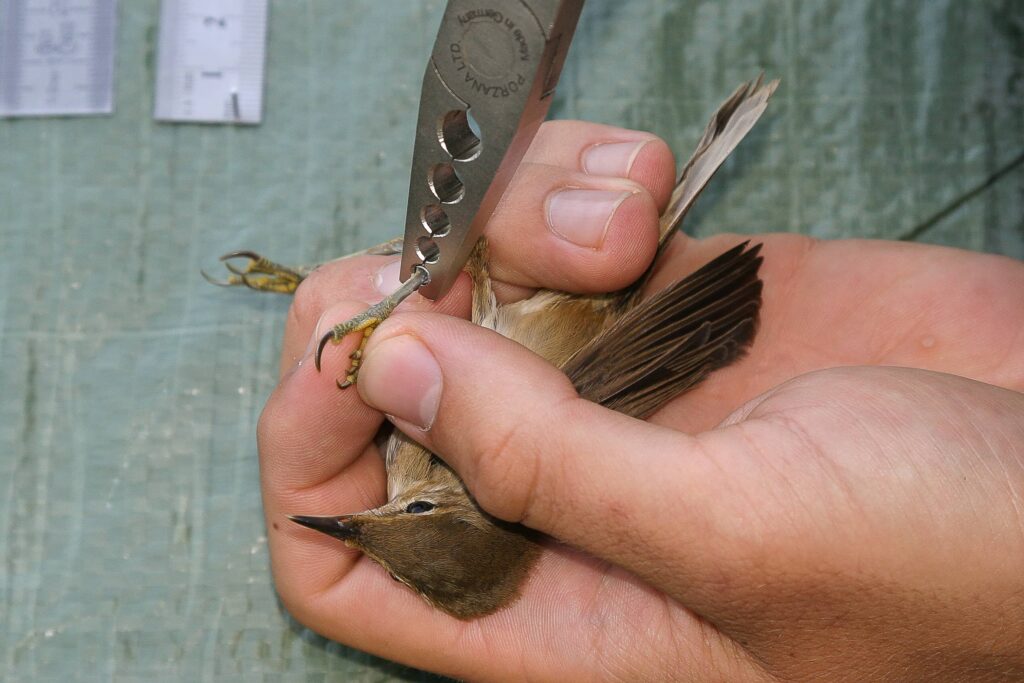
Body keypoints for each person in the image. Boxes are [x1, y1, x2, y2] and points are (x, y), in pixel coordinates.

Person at [257, 121, 1024, 681]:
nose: (375, 517)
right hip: (607, 340)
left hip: (602, 328)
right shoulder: (473, 465)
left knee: (439, 278)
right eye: (410, 517)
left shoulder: (452, 469)